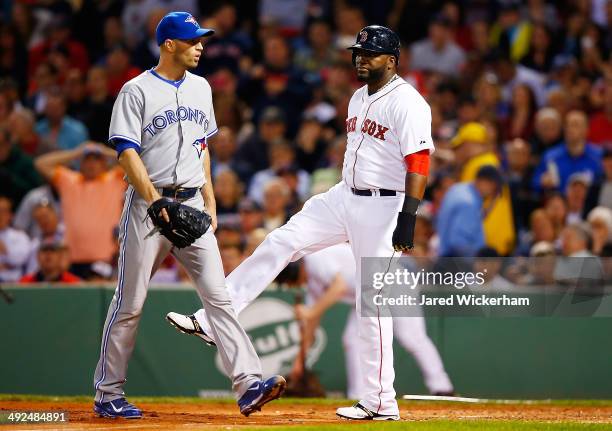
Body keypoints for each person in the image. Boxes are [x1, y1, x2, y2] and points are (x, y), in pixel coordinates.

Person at [166, 25, 434, 421]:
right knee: (279, 241)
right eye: (357, 52)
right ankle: (213, 319)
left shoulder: (408, 103)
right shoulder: (359, 97)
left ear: (392, 61)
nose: (360, 58)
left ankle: (381, 403)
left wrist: (408, 217)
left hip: (385, 207)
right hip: (345, 196)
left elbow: (420, 162)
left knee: (371, 304)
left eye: (369, 54)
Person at [91, 12, 284, 419]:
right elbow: (126, 153)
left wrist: (210, 201)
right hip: (148, 205)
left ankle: (248, 384)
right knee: (130, 303)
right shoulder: (135, 90)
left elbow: (202, 148)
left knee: (219, 297)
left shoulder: (201, 88)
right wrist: (155, 201)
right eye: (192, 40)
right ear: (168, 45)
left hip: (192, 201)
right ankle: (108, 392)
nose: (200, 46)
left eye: (201, 40)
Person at [34, 142, 126, 279]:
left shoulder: (115, 179)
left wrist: (105, 151)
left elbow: (139, 163)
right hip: (72, 259)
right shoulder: (69, 180)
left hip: (105, 258)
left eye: (96, 159)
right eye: (87, 160)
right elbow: (40, 163)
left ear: (104, 163)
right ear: (80, 163)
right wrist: (76, 153)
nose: (91, 164)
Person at [436, 166, 503, 257]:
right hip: (456, 263)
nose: (493, 194)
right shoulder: (469, 203)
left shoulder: (458, 188)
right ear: (485, 182)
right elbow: (458, 243)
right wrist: (479, 261)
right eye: (494, 188)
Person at [0, 195, 31, 282]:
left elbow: (19, 260)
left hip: (13, 282)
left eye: (3, 211)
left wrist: (4, 250)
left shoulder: (20, 236)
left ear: (11, 215)